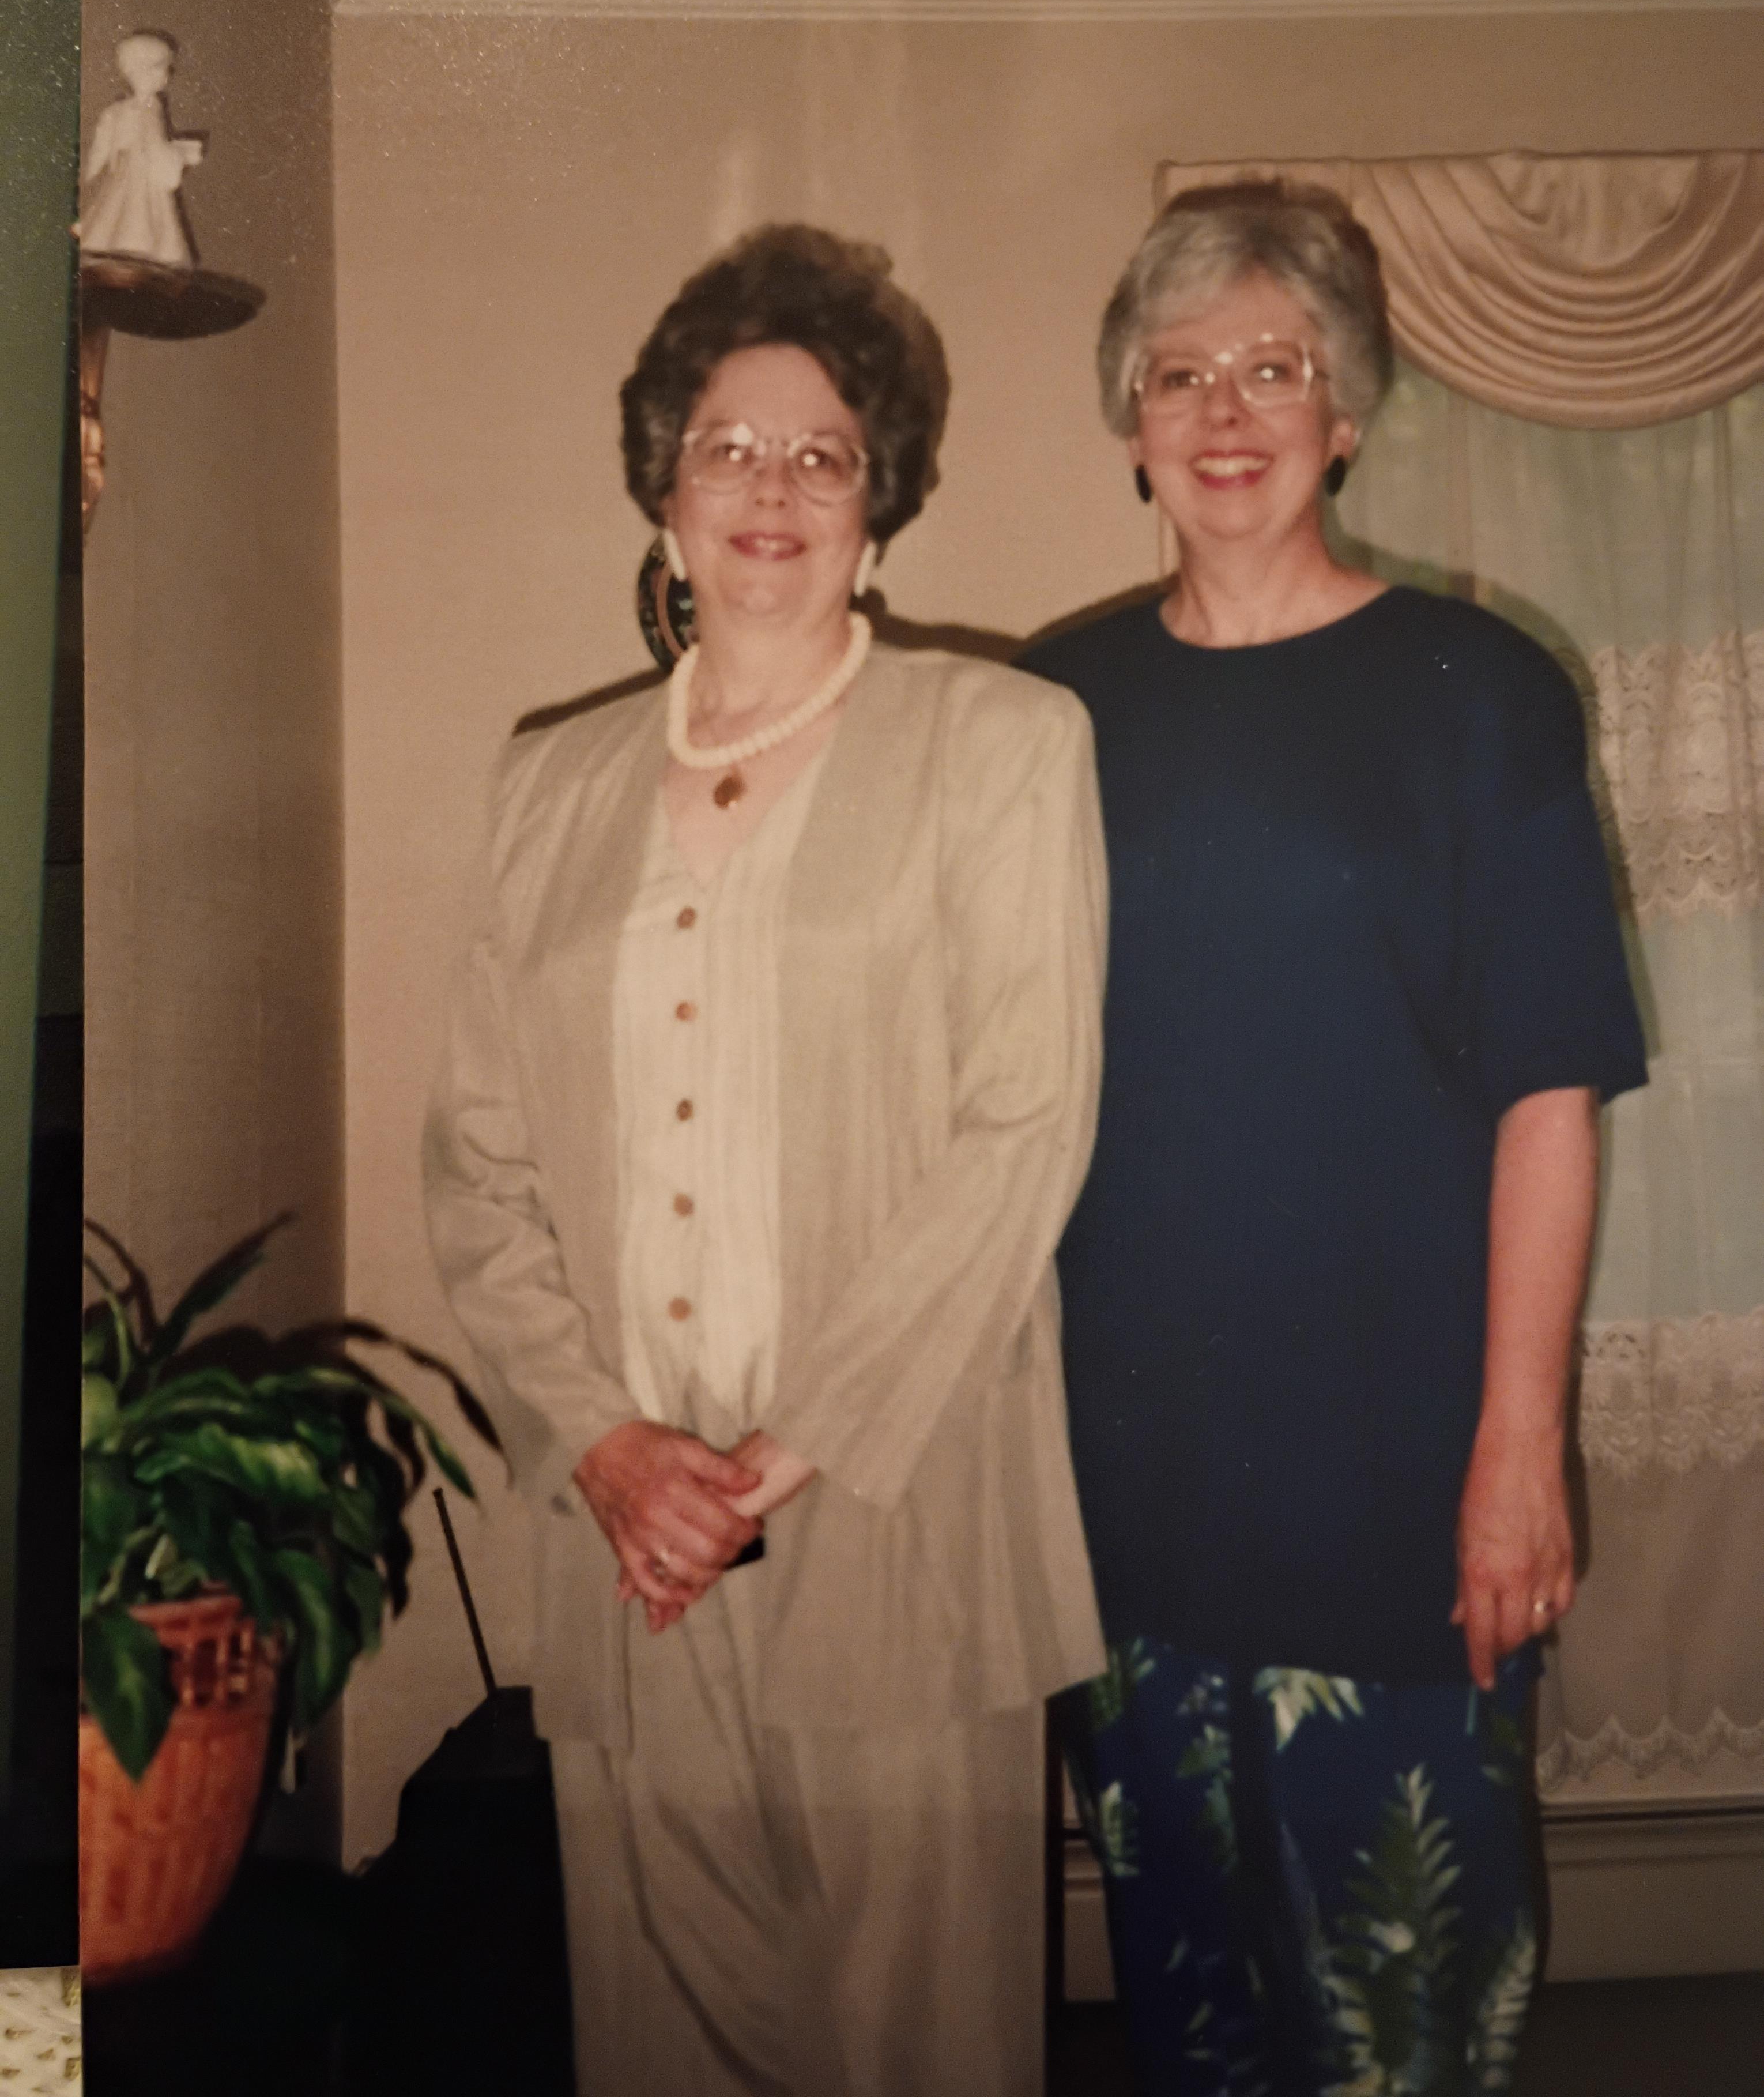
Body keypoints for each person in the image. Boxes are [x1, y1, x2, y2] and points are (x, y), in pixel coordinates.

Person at [423, 223, 1107, 2096]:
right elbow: (478, 1161)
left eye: (825, 453)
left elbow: (1024, 1128)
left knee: (921, 2045)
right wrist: (613, 1449)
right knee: (662, 2043)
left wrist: (771, 1462)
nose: (775, 488)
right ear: (663, 490)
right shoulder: (542, 784)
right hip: (625, 1531)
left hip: (895, 1509)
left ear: (882, 506)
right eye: (731, 444)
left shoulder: (1007, 744)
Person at [1020, 179, 1648, 2095]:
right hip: (1116, 1480)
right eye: (1184, 372)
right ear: (1130, 418)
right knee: (1192, 2009)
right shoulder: (1049, 707)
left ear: (1348, 411)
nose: (1228, 411)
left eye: (1275, 369)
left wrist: (1518, 1453)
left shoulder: (1478, 694)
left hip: (1396, 1477)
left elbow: (1551, 1086)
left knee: (1407, 2020)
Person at [80, 31, 203, 266]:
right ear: (142, 70)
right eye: (162, 68)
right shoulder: (144, 110)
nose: (167, 76)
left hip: (132, 178)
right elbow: (152, 148)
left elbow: (102, 156)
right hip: (137, 181)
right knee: (137, 225)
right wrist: (182, 155)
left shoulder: (123, 111)